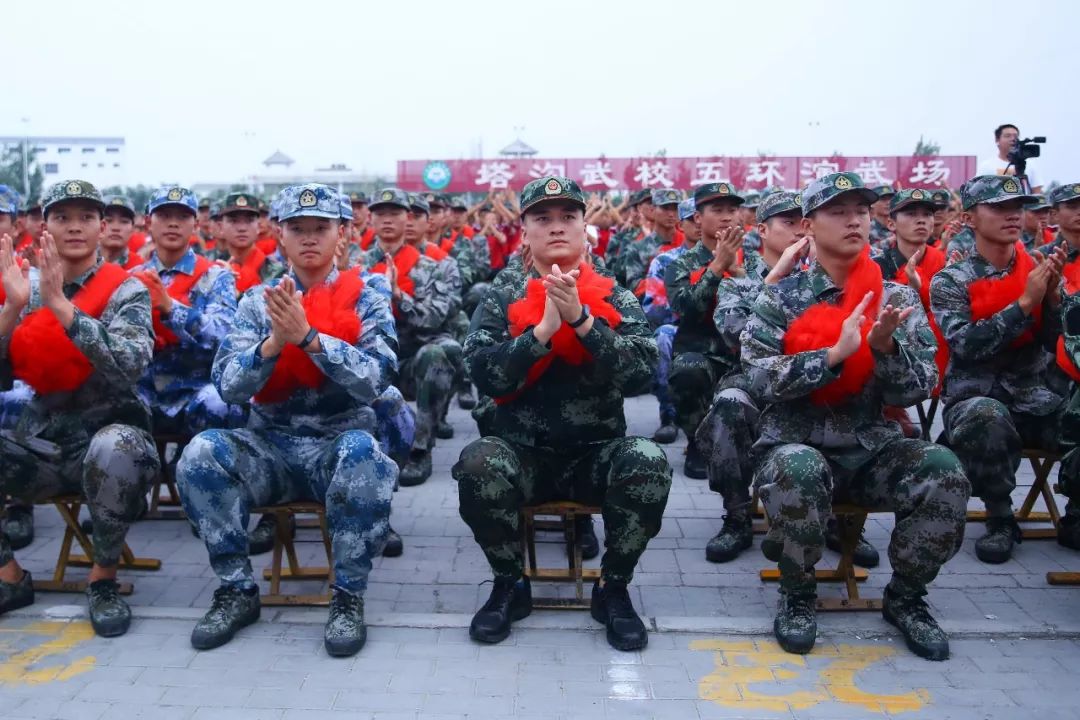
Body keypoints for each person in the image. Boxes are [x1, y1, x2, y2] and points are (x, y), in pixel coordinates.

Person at [744, 172, 969, 660]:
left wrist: (884, 348)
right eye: (838, 212)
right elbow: (759, 380)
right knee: (796, 469)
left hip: (873, 451)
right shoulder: (779, 297)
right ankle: (798, 595)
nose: (853, 221)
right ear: (808, 224)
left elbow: (918, 387)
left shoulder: (897, 298)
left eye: (862, 212)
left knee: (942, 470)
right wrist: (830, 359)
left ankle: (906, 597)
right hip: (797, 446)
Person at [176, 183, 398, 657]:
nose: (310, 238)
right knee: (202, 452)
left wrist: (312, 340)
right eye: (298, 229)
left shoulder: (368, 295)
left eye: (322, 228)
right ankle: (237, 590)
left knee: (366, 456)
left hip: (337, 446)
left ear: (343, 233)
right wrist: (272, 345)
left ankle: (347, 597)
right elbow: (230, 386)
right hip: (270, 448)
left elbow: (376, 379)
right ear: (280, 235)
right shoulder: (259, 302)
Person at [454, 176, 670, 651]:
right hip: (523, 455)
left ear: (583, 227)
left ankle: (612, 588)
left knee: (648, 460)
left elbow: (642, 375)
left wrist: (583, 323)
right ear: (525, 230)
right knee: (477, 462)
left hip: (595, 456)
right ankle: (509, 584)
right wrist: (539, 335)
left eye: (568, 217)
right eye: (542, 218)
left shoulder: (613, 292)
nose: (557, 228)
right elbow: (483, 373)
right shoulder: (503, 292)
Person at [0, 180, 160, 636]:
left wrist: (60, 306)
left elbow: (128, 365)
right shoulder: (22, 290)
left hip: (114, 440)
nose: (74, 227)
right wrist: (12, 309)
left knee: (113, 447)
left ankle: (103, 579)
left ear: (102, 227)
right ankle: (10, 577)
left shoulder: (126, 290)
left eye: (86, 217)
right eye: (62, 217)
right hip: (45, 445)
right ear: (42, 226)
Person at [931, 175, 1069, 564]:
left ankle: (1074, 514)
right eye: (999, 208)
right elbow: (966, 345)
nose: (1012, 216)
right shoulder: (951, 280)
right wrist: (1024, 304)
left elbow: (1056, 344)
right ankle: (1000, 516)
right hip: (975, 397)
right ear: (972, 218)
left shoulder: (1038, 267)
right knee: (986, 416)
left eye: (1017, 208)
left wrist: (1054, 301)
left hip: (1034, 396)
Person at [697, 190, 809, 563]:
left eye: (803, 222)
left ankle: (839, 519)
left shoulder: (823, 278)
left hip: (810, 378)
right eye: (788, 222)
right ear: (762, 229)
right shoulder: (738, 283)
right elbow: (735, 334)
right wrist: (775, 281)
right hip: (754, 380)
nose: (798, 230)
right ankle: (737, 514)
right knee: (729, 404)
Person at [362, 189, 456, 486]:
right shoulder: (355, 265)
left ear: (410, 218)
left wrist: (399, 296)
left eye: (396, 214)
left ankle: (419, 449)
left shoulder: (431, 267)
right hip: (370, 355)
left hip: (411, 358)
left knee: (436, 354)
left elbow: (432, 319)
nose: (387, 220)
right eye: (380, 214)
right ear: (370, 219)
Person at [133, 187, 239, 437]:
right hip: (144, 390)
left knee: (221, 402)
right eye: (164, 216)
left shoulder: (216, 277)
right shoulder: (132, 279)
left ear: (195, 224)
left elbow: (225, 336)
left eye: (182, 217)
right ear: (149, 222)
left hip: (196, 388)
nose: (172, 224)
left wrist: (171, 308)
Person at [665, 182, 745, 479]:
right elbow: (684, 307)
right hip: (701, 352)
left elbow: (764, 308)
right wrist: (716, 267)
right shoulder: (680, 263)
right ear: (698, 218)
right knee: (688, 370)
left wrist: (739, 273)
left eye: (732, 210)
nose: (727, 217)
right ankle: (698, 443)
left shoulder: (754, 260)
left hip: (743, 354)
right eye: (717, 210)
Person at [642, 198, 699, 444]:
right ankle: (669, 415)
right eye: (692, 219)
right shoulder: (665, 262)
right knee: (664, 335)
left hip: (721, 330)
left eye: (703, 216)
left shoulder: (739, 259)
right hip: (680, 328)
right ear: (681, 225)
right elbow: (653, 309)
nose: (699, 224)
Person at [222, 193, 285, 294]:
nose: (242, 228)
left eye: (249, 221)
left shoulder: (277, 272)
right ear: (221, 227)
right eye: (233, 221)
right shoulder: (213, 268)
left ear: (258, 226)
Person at [976, 124, 1043, 192]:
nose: (1013, 139)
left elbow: (1037, 191)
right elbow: (978, 191)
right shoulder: (987, 166)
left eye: (1016, 136)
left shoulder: (1030, 164)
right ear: (997, 140)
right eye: (1007, 136)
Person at [100, 196, 143, 269]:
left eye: (124, 222)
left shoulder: (140, 268)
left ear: (133, 228)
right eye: (108, 220)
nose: (116, 228)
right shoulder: (82, 262)